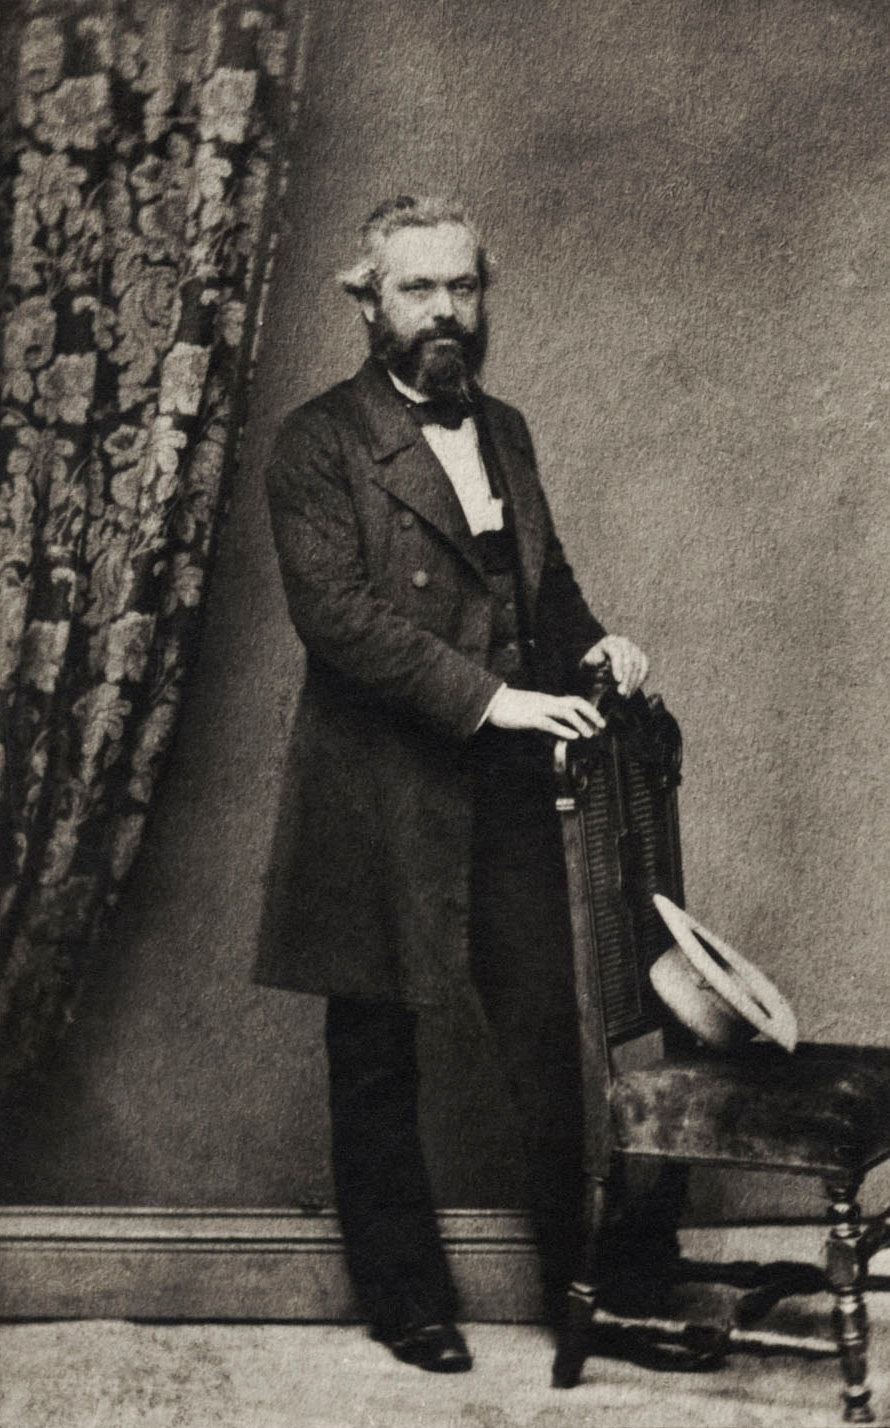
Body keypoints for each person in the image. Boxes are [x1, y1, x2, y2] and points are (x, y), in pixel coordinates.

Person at [255, 195, 649, 1374]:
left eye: (461, 288)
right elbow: (338, 620)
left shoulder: (509, 430)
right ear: (366, 300)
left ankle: (589, 1291)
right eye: (417, 289)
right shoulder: (316, 443)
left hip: (511, 798)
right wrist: (494, 702)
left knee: (551, 1040)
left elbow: (542, 586)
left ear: (483, 297)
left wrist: (594, 645)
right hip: (378, 792)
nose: (444, 313)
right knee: (375, 1054)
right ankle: (405, 1299)